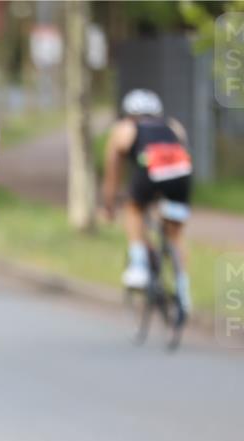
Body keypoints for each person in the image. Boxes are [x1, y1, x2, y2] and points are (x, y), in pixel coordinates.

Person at [102, 88, 193, 314]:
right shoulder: (174, 126)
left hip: (149, 173)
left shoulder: (125, 129)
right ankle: (183, 291)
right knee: (175, 234)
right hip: (180, 176)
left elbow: (113, 173)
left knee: (133, 209)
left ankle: (139, 265)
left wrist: (109, 205)